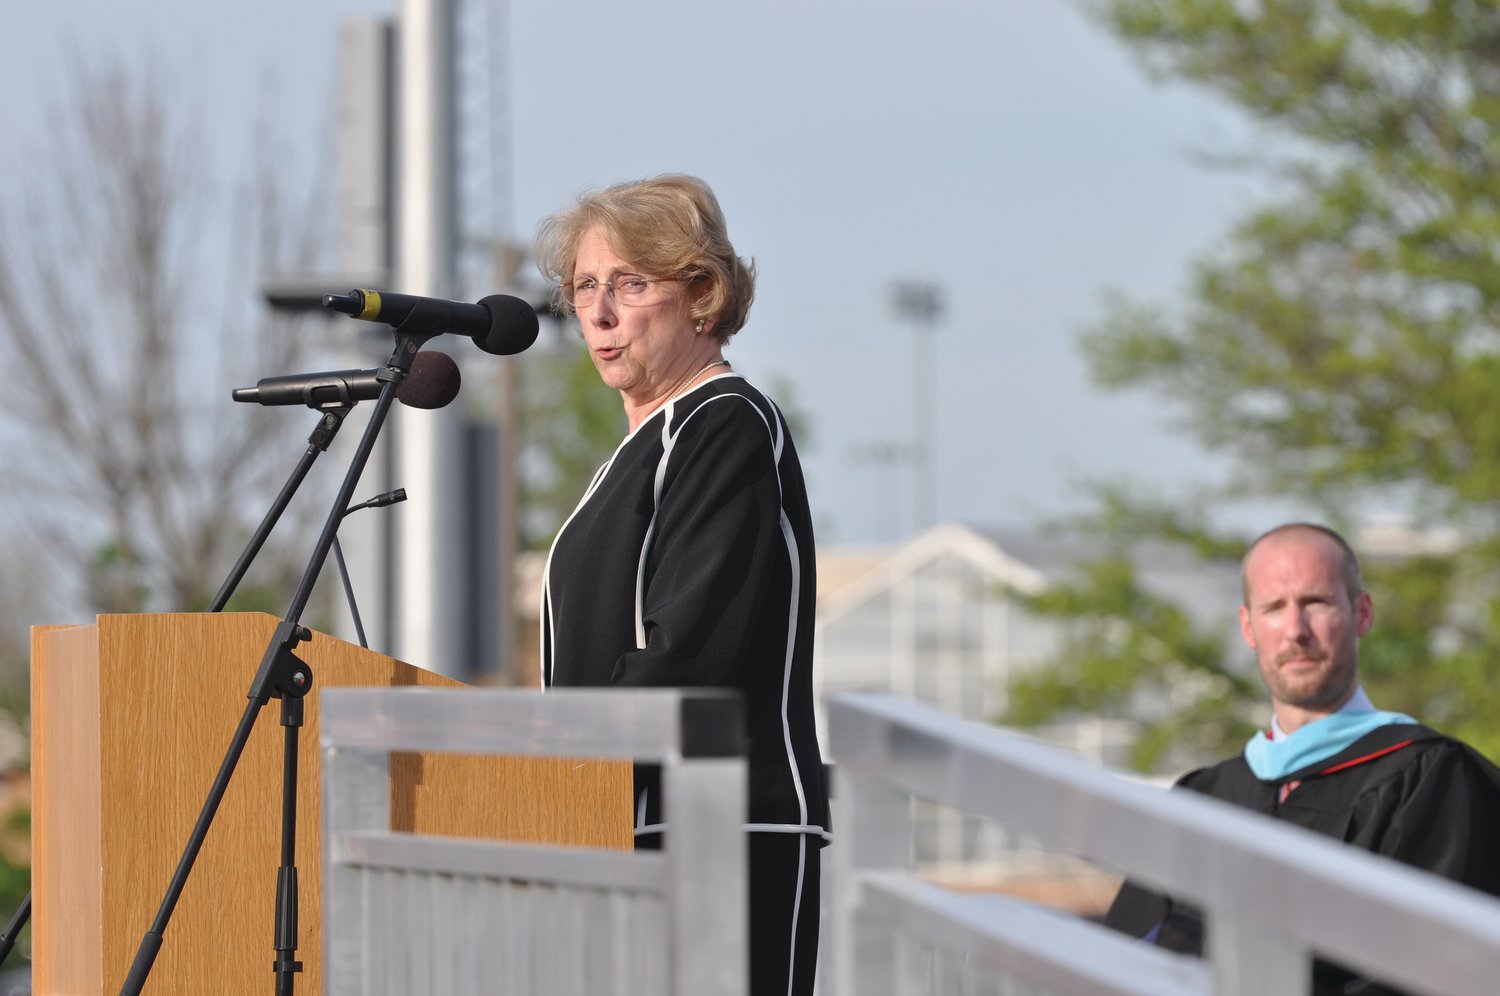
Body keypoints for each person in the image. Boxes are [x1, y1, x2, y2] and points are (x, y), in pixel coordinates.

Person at [533, 174, 830, 996]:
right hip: (622, 821)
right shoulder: (639, 448)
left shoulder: (723, 422)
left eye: (629, 284)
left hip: (718, 830)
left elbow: (687, 653)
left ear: (703, 293)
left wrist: (552, 773)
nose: (598, 314)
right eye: (584, 286)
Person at [1105, 522, 1500, 994]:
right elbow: (1123, 960)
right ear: (1249, 628)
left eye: (1316, 602)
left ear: (1362, 614)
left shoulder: (1430, 778)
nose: (1296, 630)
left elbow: (1433, 972)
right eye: (1274, 607)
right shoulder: (1202, 799)